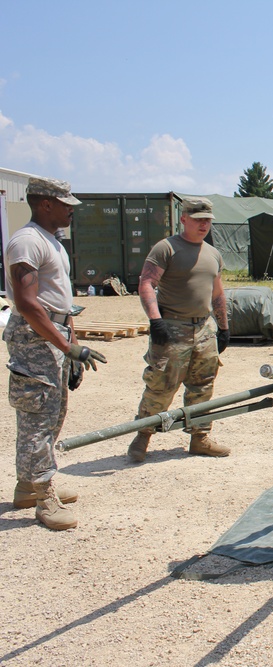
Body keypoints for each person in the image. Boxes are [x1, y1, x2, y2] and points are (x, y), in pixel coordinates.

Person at [5, 177, 107, 530]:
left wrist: (70, 344)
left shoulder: (53, 242)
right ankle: (44, 494)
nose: (71, 209)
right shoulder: (27, 242)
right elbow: (28, 304)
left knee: (52, 413)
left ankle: (27, 486)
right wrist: (67, 346)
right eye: (66, 204)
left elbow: (62, 303)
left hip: (54, 334)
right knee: (37, 419)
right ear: (44, 203)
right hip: (35, 340)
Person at [127, 197, 230, 463]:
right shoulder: (166, 248)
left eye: (207, 220)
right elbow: (147, 283)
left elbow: (218, 293)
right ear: (183, 219)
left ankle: (200, 437)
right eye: (198, 219)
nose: (203, 224)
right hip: (172, 328)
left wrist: (224, 327)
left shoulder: (213, 253)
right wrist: (155, 320)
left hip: (204, 329)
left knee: (203, 386)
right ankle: (142, 436)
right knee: (160, 385)